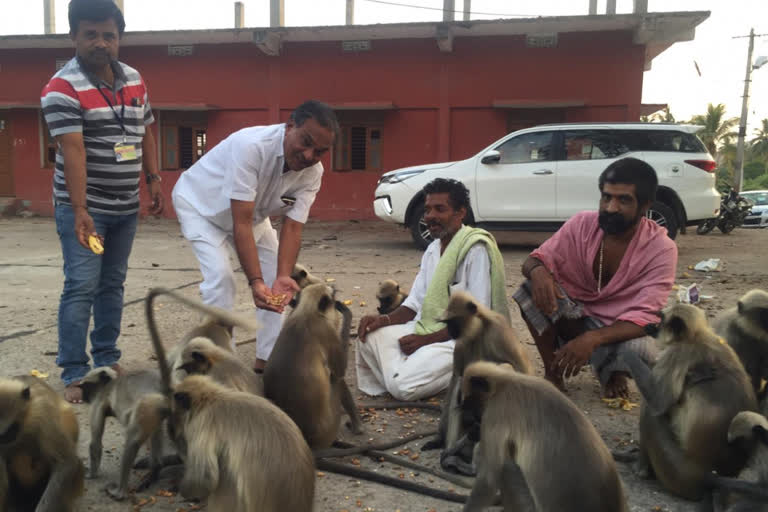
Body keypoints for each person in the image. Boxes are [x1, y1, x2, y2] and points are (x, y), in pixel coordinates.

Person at [41, 0, 163, 403]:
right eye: (90, 34)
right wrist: (79, 210)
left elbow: (146, 130)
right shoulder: (61, 88)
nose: (100, 43)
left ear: (119, 38)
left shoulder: (134, 78)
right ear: (73, 36)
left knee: (112, 284)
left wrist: (154, 179)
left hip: (126, 206)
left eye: (109, 35)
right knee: (80, 286)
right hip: (86, 210)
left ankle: (107, 359)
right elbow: (72, 150)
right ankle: (75, 371)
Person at [172, 100, 337, 371]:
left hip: (253, 217)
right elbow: (242, 222)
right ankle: (220, 365)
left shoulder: (313, 173)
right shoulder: (251, 146)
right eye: (305, 142)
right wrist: (255, 281)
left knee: (277, 283)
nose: (309, 155)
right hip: (201, 208)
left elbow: (293, 227)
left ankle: (267, 362)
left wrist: (282, 276)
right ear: (289, 126)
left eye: (319, 151)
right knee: (221, 279)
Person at [513, 157, 677, 399]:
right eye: (606, 197)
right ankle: (553, 373)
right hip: (575, 315)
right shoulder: (581, 224)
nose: (611, 208)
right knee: (530, 289)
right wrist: (539, 272)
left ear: (645, 206)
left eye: (624, 200)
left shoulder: (661, 248)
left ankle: (613, 372)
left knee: (641, 349)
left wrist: (592, 338)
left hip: (616, 326)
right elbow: (534, 260)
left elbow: (648, 318)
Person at [356, 178, 508, 401]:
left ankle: (430, 376)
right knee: (368, 338)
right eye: (427, 210)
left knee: (402, 386)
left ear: (460, 213)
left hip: (462, 340)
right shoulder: (433, 249)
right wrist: (383, 321)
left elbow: (476, 320)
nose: (430, 216)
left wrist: (425, 342)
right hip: (426, 327)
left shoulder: (475, 250)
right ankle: (411, 374)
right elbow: (414, 304)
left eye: (440, 209)